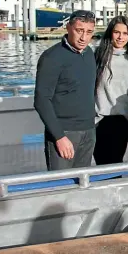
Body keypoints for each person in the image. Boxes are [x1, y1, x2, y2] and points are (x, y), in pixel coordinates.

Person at [34, 10, 97, 170]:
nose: (83, 37)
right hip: (64, 132)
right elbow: (41, 100)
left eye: (89, 32)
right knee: (60, 187)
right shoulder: (52, 57)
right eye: (79, 30)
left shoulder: (89, 54)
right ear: (68, 28)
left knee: (82, 184)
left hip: (89, 131)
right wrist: (59, 136)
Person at [94, 16, 128, 165]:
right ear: (110, 33)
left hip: (121, 119)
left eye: (125, 33)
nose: (120, 37)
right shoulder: (98, 56)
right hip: (99, 118)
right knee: (101, 164)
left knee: (115, 163)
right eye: (116, 32)